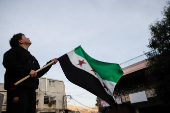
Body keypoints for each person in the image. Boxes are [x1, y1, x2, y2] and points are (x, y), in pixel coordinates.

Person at [2, 33, 58, 113]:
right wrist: (27, 71)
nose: (28, 38)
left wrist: (50, 63)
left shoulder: (32, 58)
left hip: (31, 91)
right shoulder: (13, 51)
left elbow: (38, 73)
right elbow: (9, 63)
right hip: (18, 89)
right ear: (20, 41)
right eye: (24, 36)